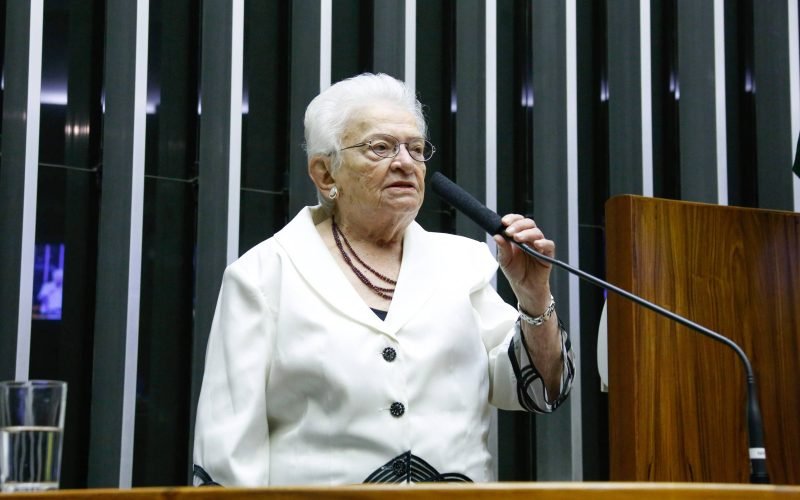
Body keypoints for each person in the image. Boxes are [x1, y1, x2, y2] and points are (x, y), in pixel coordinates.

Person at [193, 73, 575, 486]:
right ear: (325, 174)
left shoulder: (461, 263)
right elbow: (228, 452)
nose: (405, 163)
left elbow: (539, 389)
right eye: (380, 147)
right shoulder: (263, 275)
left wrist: (534, 296)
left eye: (416, 149)